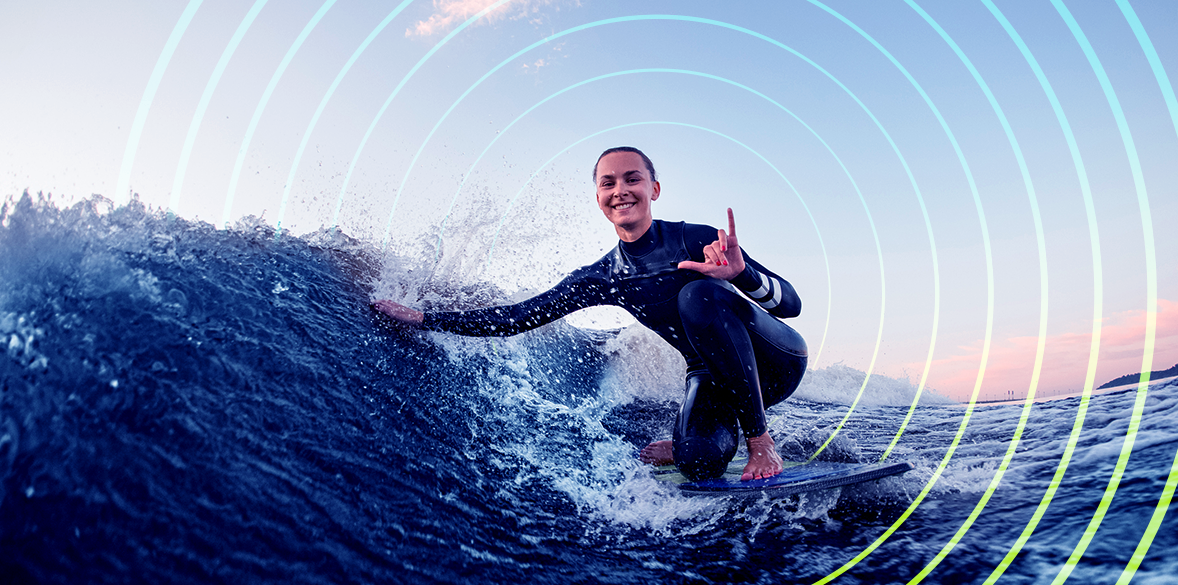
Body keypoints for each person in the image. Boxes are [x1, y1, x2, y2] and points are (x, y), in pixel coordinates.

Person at [373, 147, 807, 482]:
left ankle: (760, 441)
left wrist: (742, 273)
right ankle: (688, 442)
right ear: (599, 198)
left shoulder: (696, 239)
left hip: (774, 364)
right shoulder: (603, 277)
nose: (621, 189)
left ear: (654, 189)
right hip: (713, 378)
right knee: (698, 464)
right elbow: (518, 317)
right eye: (608, 183)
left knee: (698, 295)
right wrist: (425, 319)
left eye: (633, 178)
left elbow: (791, 305)